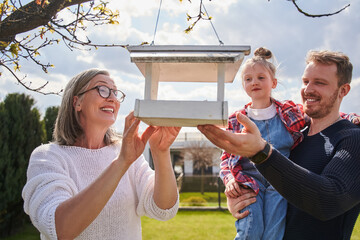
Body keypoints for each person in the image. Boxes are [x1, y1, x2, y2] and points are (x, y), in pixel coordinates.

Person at [198, 50, 360, 240]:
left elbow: (327, 202)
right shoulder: (294, 133)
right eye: (306, 81)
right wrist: (239, 196)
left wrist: (262, 153)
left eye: (320, 83)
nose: (308, 89)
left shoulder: (352, 139)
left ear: (343, 90)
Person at [22, 69, 181, 240]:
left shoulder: (126, 152)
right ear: (77, 103)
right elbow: (60, 229)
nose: (112, 98)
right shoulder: (48, 157)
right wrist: (121, 163)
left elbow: (164, 208)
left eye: (115, 92)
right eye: (103, 89)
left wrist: (160, 152)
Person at [220, 47, 308, 240]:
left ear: (273, 82)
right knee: (250, 231)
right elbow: (226, 158)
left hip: (281, 182)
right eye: (248, 79)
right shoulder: (236, 120)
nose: (254, 82)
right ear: (243, 85)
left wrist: (351, 117)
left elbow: (317, 117)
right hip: (249, 183)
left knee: (273, 234)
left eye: (261, 77)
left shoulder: (288, 112)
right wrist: (230, 181)